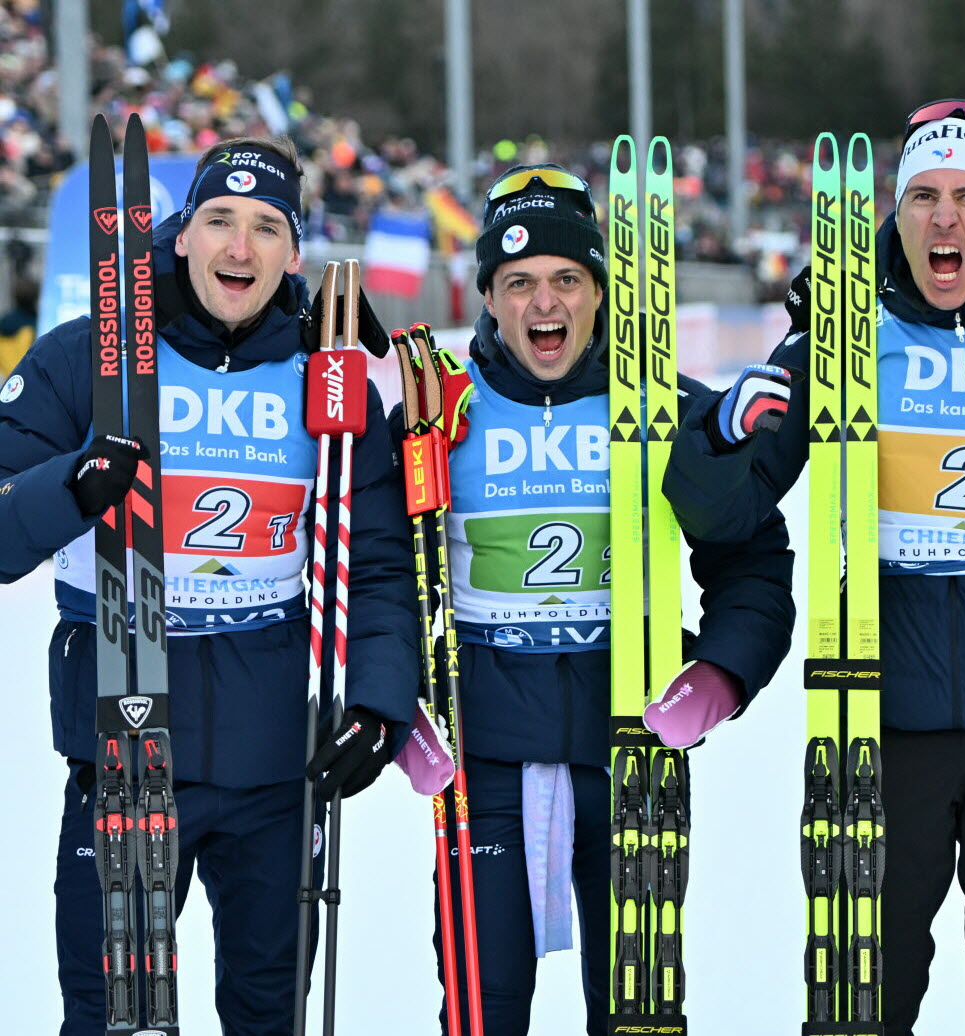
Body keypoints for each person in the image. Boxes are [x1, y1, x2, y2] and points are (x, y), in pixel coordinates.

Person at [664, 101, 965, 1035]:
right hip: (881, 734)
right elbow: (723, 509)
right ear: (893, 212)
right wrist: (719, 434)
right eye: (922, 196)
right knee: (863, 1003)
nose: (943, 219)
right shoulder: (841, 339)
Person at [0, 135, 417, 1034]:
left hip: (280, 763)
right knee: (114, 1017)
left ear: (293, 252)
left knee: (270, 1013)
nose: (240, 247)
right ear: (181, 235)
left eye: (266, 227)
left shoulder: (329, 379)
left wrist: (379, 707)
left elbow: (377, 565)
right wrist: (65, 489)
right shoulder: (86, 359)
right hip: (124, 749)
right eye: (219, 221)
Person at [413, 165, 794, 1035]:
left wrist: (723, 674)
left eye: (564, 280)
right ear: (490, 297)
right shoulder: (442, 416)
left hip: (632, 753)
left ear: (596, 291)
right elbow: (379, 570)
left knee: (636, 1013)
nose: (542, 304)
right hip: (485, 764)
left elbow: (754, 561)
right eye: (517, 283)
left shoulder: (666, 410)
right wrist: (396, 702)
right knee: (483, 1007)